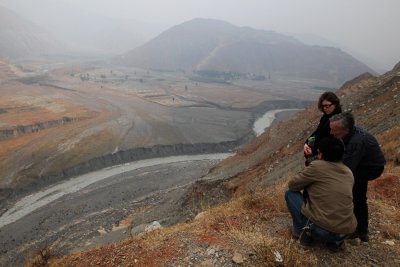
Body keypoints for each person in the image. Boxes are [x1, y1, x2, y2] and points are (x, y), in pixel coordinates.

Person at [285, 137, 357, 251]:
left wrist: (309, 167)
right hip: (346, 232)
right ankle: (335, 242)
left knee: (290, 194)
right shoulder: (348, 172)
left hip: (321, 231)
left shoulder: (317, 166)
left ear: (320, 154)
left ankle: (301, 233)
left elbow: (293, 185)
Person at [330, 112, 386, 242]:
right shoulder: (350, 133)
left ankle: (360, 231)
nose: (331, 132)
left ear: (346, 129)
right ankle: (358, 228)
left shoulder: (357, 141)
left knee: (357, 195)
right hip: (362, 163)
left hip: (371, 168)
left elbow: (347, 167)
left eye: (334, 130)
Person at [304, 92, 342, 166]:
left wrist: (316, 154)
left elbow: (329, 140)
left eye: (327, 106)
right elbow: (318, 132)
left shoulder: (338, 120)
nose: (325, 108)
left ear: (335, 104)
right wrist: (307, 143)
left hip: (325, 156)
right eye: (323, 106)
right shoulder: (325, 117)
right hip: (317, 152)